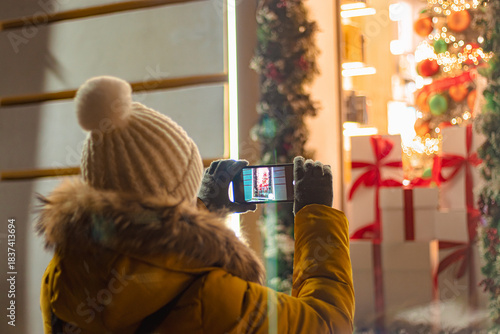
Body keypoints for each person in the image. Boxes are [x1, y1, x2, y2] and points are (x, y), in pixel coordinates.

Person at [37, 76, 354, 333]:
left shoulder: (62, 278)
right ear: (179, 188)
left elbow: (142, 251)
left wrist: (202, 213)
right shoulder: (211, 297)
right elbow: (328, 324)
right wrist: (318, 219)